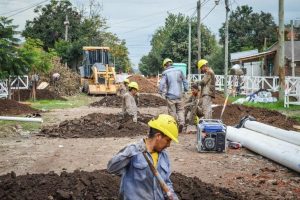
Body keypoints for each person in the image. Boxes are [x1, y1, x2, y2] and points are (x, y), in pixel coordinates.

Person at [107, 114, 179, 200]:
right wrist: (133, 150)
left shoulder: (164, 155)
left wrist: (173, 196)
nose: (169, 145)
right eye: (168, 140)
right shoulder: (134, 151)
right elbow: (111, 168)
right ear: (158, 136)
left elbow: (166, 182)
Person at [159, 58, 188, 133]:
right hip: (179, 95)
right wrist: (185, 90)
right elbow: (185, 81)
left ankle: (174, 125)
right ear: (171, 64)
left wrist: (160, 92)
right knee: (180, 110)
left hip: (170, 96)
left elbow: (162, 84)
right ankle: (181, 123)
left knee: (172, 112)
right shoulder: (179, 71)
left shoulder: (165, 73)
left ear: (165, 65)